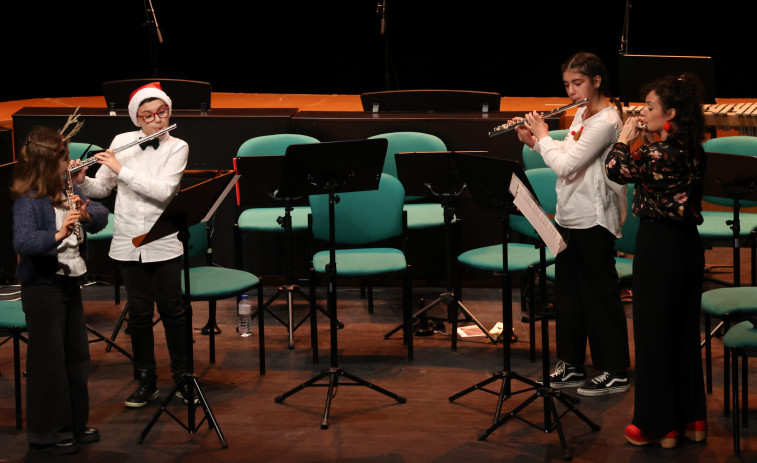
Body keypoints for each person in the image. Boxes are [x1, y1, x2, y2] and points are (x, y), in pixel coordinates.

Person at [514, 51, 631, 396]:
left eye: (577, 83)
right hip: (568, 215)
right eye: (567, 85)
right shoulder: (582, 112)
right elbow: (565, 152)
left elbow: (567, 166)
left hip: (594, 218)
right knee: (568, 295)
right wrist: (534, 142)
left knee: (600, 295)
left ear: (596, 81)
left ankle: (615, 370)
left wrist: (542, 134)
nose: (571, 91)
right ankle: (572, 365)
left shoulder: (607, 121)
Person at [73, 82, 191, 408]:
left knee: (173, 312)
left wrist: (120, 169)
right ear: (137, 118)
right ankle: (145, 380)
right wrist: (81, 180)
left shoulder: (178, 147)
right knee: (139, 315)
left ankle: (183, 378)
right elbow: (101, 190)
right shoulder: (122, 142)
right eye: (148, 115)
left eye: (162, 113)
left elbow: (162, 191)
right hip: (128, 241)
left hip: (163, 240)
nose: (157, 120)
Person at [605, 73, 707, 448]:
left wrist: (623, 138)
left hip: (659, 248)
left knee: (652, 336)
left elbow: (614, 170)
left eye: (649, 107)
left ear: (671, 113)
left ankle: (658, 425)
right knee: (681, 334)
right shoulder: (695, 149)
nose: (642, 112)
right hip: (687, 248)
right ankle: (692, 419)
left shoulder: (653, 153)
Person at [12, 124, 109, 454]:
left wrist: (85, 213)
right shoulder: (30, 201)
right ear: (45, 163)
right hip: (42, 288)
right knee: (48, 362)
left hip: (68, 283)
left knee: (76, 358)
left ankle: (75, 424)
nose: (70, 164)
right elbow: (23, 241)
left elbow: (100, 211)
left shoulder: (65, 189)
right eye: (64, 159)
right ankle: (47, 434)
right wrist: (57, 234)